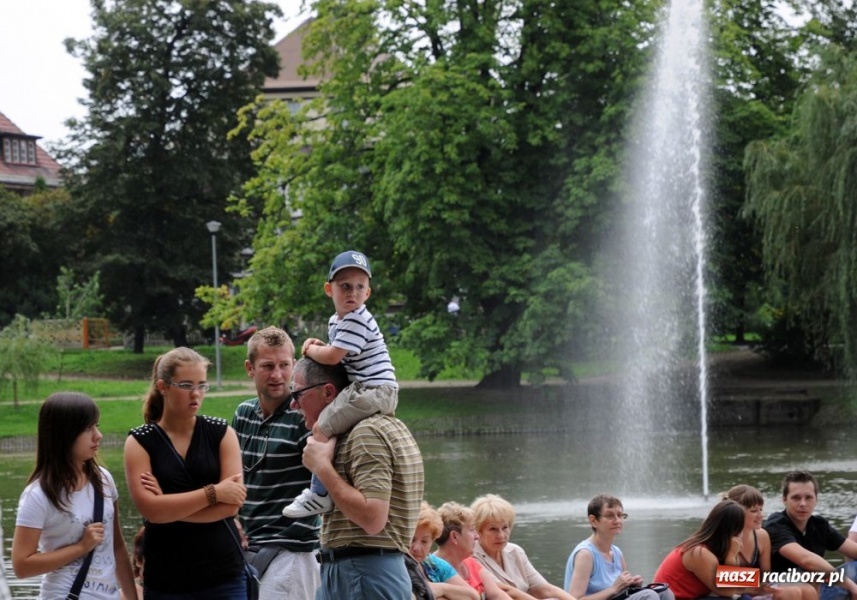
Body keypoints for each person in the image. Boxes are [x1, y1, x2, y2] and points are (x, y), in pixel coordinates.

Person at [291, 357, 424, 599]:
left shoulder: (366, 433)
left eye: (297, 393)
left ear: (329, 392)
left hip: (363, 574)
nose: (292, 404)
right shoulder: (376, 427)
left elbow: (373, 518)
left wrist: (322, 468)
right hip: (359, 572)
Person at [124, 347, 249, 598]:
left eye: (202, 385)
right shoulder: (140, 442)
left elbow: (231, 506)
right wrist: (214, 492)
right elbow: (151, 510)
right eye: (185, 385)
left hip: (223, 576)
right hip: (166, 578)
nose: (196, 394)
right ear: (163, 386)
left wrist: (169, 507)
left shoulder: (221, 433)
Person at [283, 250, 399, 519]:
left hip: (374, 390)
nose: (353, 293)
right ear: (329, 289)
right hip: (369, 388)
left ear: (368, 293)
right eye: (345, 286)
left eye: (360, 287)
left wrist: (311, 350)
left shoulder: (357, 318)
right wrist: (322, 348)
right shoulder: (339, 320)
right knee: (333, 425)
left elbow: (333, 356)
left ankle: (318, 495)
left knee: (322, 427)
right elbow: (338, 352)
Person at [11, 392, 136, 599]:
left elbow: (117, 546)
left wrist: (132, 597)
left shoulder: (103, 480)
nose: (98, 435)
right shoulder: (38, 495)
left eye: (97, 425)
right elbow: (21, 566)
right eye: (88, 428)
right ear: (64, 435)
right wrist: (81, 547)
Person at [232, 326, 321, 599]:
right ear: (250, 368)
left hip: (292, 551)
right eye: (267, 366)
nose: (277, 375)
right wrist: (231, 518)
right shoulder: (243, 414)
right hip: (248, 547)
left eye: (284, 365)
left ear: (294, 365)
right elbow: (231, 477)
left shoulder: (304, 416)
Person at [764, 470, 857, 600]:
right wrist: (851, 586)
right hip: (785, 591)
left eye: (808, 498)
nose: (803, 504)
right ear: (784, 500)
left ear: (816, 500)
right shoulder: (776, 525)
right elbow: (806, 560)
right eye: (796, 498)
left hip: (819, 589)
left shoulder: (819, 524)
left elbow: (854, 550)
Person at [565, 494, 671, 600]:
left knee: (664, 592)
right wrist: (613, 589)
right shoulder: (585, 554)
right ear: (594, 521)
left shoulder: (617, 552)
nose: (617, 520)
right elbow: (575, 598)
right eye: (610, 516)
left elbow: (620, 592)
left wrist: (631, 585)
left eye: (620, 515)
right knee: (649, 596)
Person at [471, 493, 575, 600]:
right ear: (478, 531)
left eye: (505, 527)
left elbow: (545, 589)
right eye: (493, 529)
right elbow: (505, 591)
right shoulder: (472, 557)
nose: (501, 535)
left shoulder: (515, 551)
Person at [724, 485, 815, 600]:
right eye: (753, 511)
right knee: (790, 593)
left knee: (808, 590)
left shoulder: (762, 536)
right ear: (736, 512)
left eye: (761, 510)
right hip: (735, 593)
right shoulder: (724, 538)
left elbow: (765, 576)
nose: (760, 516)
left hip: (755, 587)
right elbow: (724, 579)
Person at [652, 500, 747, 600]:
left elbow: (740, 586)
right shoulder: (699, 552)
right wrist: (732, 556)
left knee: (745, 598)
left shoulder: (715, 549)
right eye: (742, 529)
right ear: (734, 530)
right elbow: (728, 592)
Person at [434, 501, 514, 600]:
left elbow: (497, 595)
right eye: (471, 530)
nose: (477, 536)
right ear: (454, 536)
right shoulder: (432, 570)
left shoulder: (471, 563)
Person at [410, 501, 479, 600]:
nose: (416, 548)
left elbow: (473, 596)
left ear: (432, 541)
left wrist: (442, 588)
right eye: (412, 540)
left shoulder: (433, 563)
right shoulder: (395, 567)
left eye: (424, 541)